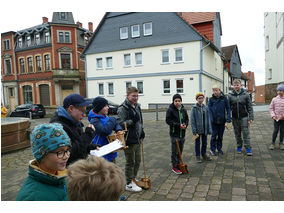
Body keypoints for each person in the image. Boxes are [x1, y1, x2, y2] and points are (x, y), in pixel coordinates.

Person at [16, 123, 71, 201]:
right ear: (41, 155)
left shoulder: (60, 178)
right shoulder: (32, 197)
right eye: (60, 152)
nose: (66, 156)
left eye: (67, 150)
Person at [50, 94, 98, 165]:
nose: (84, 115)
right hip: (69, 171)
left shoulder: (75, 121)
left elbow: (78, 143)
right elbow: (71, 153)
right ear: (71, 108)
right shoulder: (58, 127)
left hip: (77, 167)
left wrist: (90, 147)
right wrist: (88, 134)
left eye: (85, 111)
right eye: (82, 111)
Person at [117, 87, 145, 192]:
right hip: (128, 139)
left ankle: (133, 177)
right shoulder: (122, 108)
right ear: (127, 95)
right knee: (130, 161)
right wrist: (131, 121)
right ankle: (128, 183)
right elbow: (120, 123)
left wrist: (142, 130)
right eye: (133, 96)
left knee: (138, 160)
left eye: (137, 96)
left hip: (137, 137)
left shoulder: (137, 106)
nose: (136, 98)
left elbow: (140, 121)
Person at [88, 96, 123, 162]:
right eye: (105, 106)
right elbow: (105, 130)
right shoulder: (94, 120)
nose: (108, 107)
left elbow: (116, 124)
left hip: (110, 151)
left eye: (108, 105)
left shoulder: (105, 117)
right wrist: (113, 119)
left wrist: (119, 130)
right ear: (99, 108)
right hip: (101, 153)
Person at [229, 79, 254, 156]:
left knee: (245, 133)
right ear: (233, 86)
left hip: (244, 117)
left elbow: (249, 107)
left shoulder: (245, 95)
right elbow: (228, 107)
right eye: (235, 85)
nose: (236, 86)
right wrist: (228, 116)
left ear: (241, 85)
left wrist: (251, 117)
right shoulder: (230, 96)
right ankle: (239, 146)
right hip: (235, 117)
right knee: (237, 133)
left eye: (238, 85)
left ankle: (248, 148)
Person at [166, 94, 189, 174]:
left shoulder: (183, 110)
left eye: (179, 101)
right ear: (173, 101)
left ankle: (179, 163)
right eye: (176, 101)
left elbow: (186, 119)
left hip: (182, 134)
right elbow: (168, 121)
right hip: (174, 134)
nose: (177, 102)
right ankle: (174, 166)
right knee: (175, 151)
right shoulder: (170, 110)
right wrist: (178, 125)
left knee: (180, 150)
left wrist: (185, 125)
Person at [208, 85, 231, 156]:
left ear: (220, 91)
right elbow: (209, 110)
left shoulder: (224, 99)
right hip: (214, 121)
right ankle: (212, 149)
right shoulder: (211, 99)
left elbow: (228, 108)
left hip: (222, 121)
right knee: (214, 135)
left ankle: (219, 148)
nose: (215, 92)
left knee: (220, 136)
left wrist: (228, 118)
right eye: (214, 90)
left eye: (216, 90)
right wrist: (211, 119)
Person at [190, 92, 212, 163]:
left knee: (205, 142)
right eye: (199, 98)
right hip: (198, 129)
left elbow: (208, 119)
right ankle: (197, 155)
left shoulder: (206, 107)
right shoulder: (194, 108)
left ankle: (204, 154)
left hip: (205, 129)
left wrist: (209, 128)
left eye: (202, 98)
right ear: (197, 99)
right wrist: (194, 130)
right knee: (197, 143)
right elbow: (192, 120)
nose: (201, 99)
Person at [269, 84, 284, 150]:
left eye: (281, 90)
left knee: (282, 131)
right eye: (278, 90)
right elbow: (271, 108)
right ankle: (272, 143)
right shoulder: (274, 99)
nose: (279, 92)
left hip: (283, 119)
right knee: (275, 130)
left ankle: (281, 143)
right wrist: (273, 116)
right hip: (276, 119)